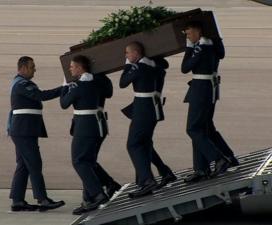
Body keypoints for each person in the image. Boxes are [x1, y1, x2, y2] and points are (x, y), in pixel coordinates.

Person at [181, 21, 237, 183]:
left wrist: (190, 47)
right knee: (203, 128)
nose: (188, 36)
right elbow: (221, 52)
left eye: (190, 33)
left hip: (201, 90)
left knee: (193, 128)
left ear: (199, 32)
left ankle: (218, 158)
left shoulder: (201, 48)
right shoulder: (212, 45)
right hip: (208, 89)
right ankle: (202, 168)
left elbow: (185, 68)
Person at [7, 56, 65, 212]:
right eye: (32, 67)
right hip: (23, 130)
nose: (34, 69)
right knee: (34, 164)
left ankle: (17, 200)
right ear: (23, 68)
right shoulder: (22, 84)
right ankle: (42, 199)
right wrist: (64, 88)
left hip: (23, 130)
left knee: (24, 165)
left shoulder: (21, 83)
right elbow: (41, 96)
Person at [119, 42, 176, 198]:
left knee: (134, 144)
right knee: (144, 143)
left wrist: (127, 65)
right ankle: (165, 172)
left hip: (144, 109)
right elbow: (164, 64)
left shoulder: (140, 67)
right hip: (151, 108)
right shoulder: (155, 65)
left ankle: (147, 181)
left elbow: (122, 83)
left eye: (127, 53)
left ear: (136, 53)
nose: (126, 56)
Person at [60, 55, 109, 215]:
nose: (70, 69)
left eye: (72, 66)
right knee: (87, 162)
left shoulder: (78, 86)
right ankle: (89, 199)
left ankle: (97, 193)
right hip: (96, 126)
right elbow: (108, 91)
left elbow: (64, 103)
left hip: (84, 128)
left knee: (79, 161)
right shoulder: (96, 83)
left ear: (80, 68)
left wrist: (65, 86)